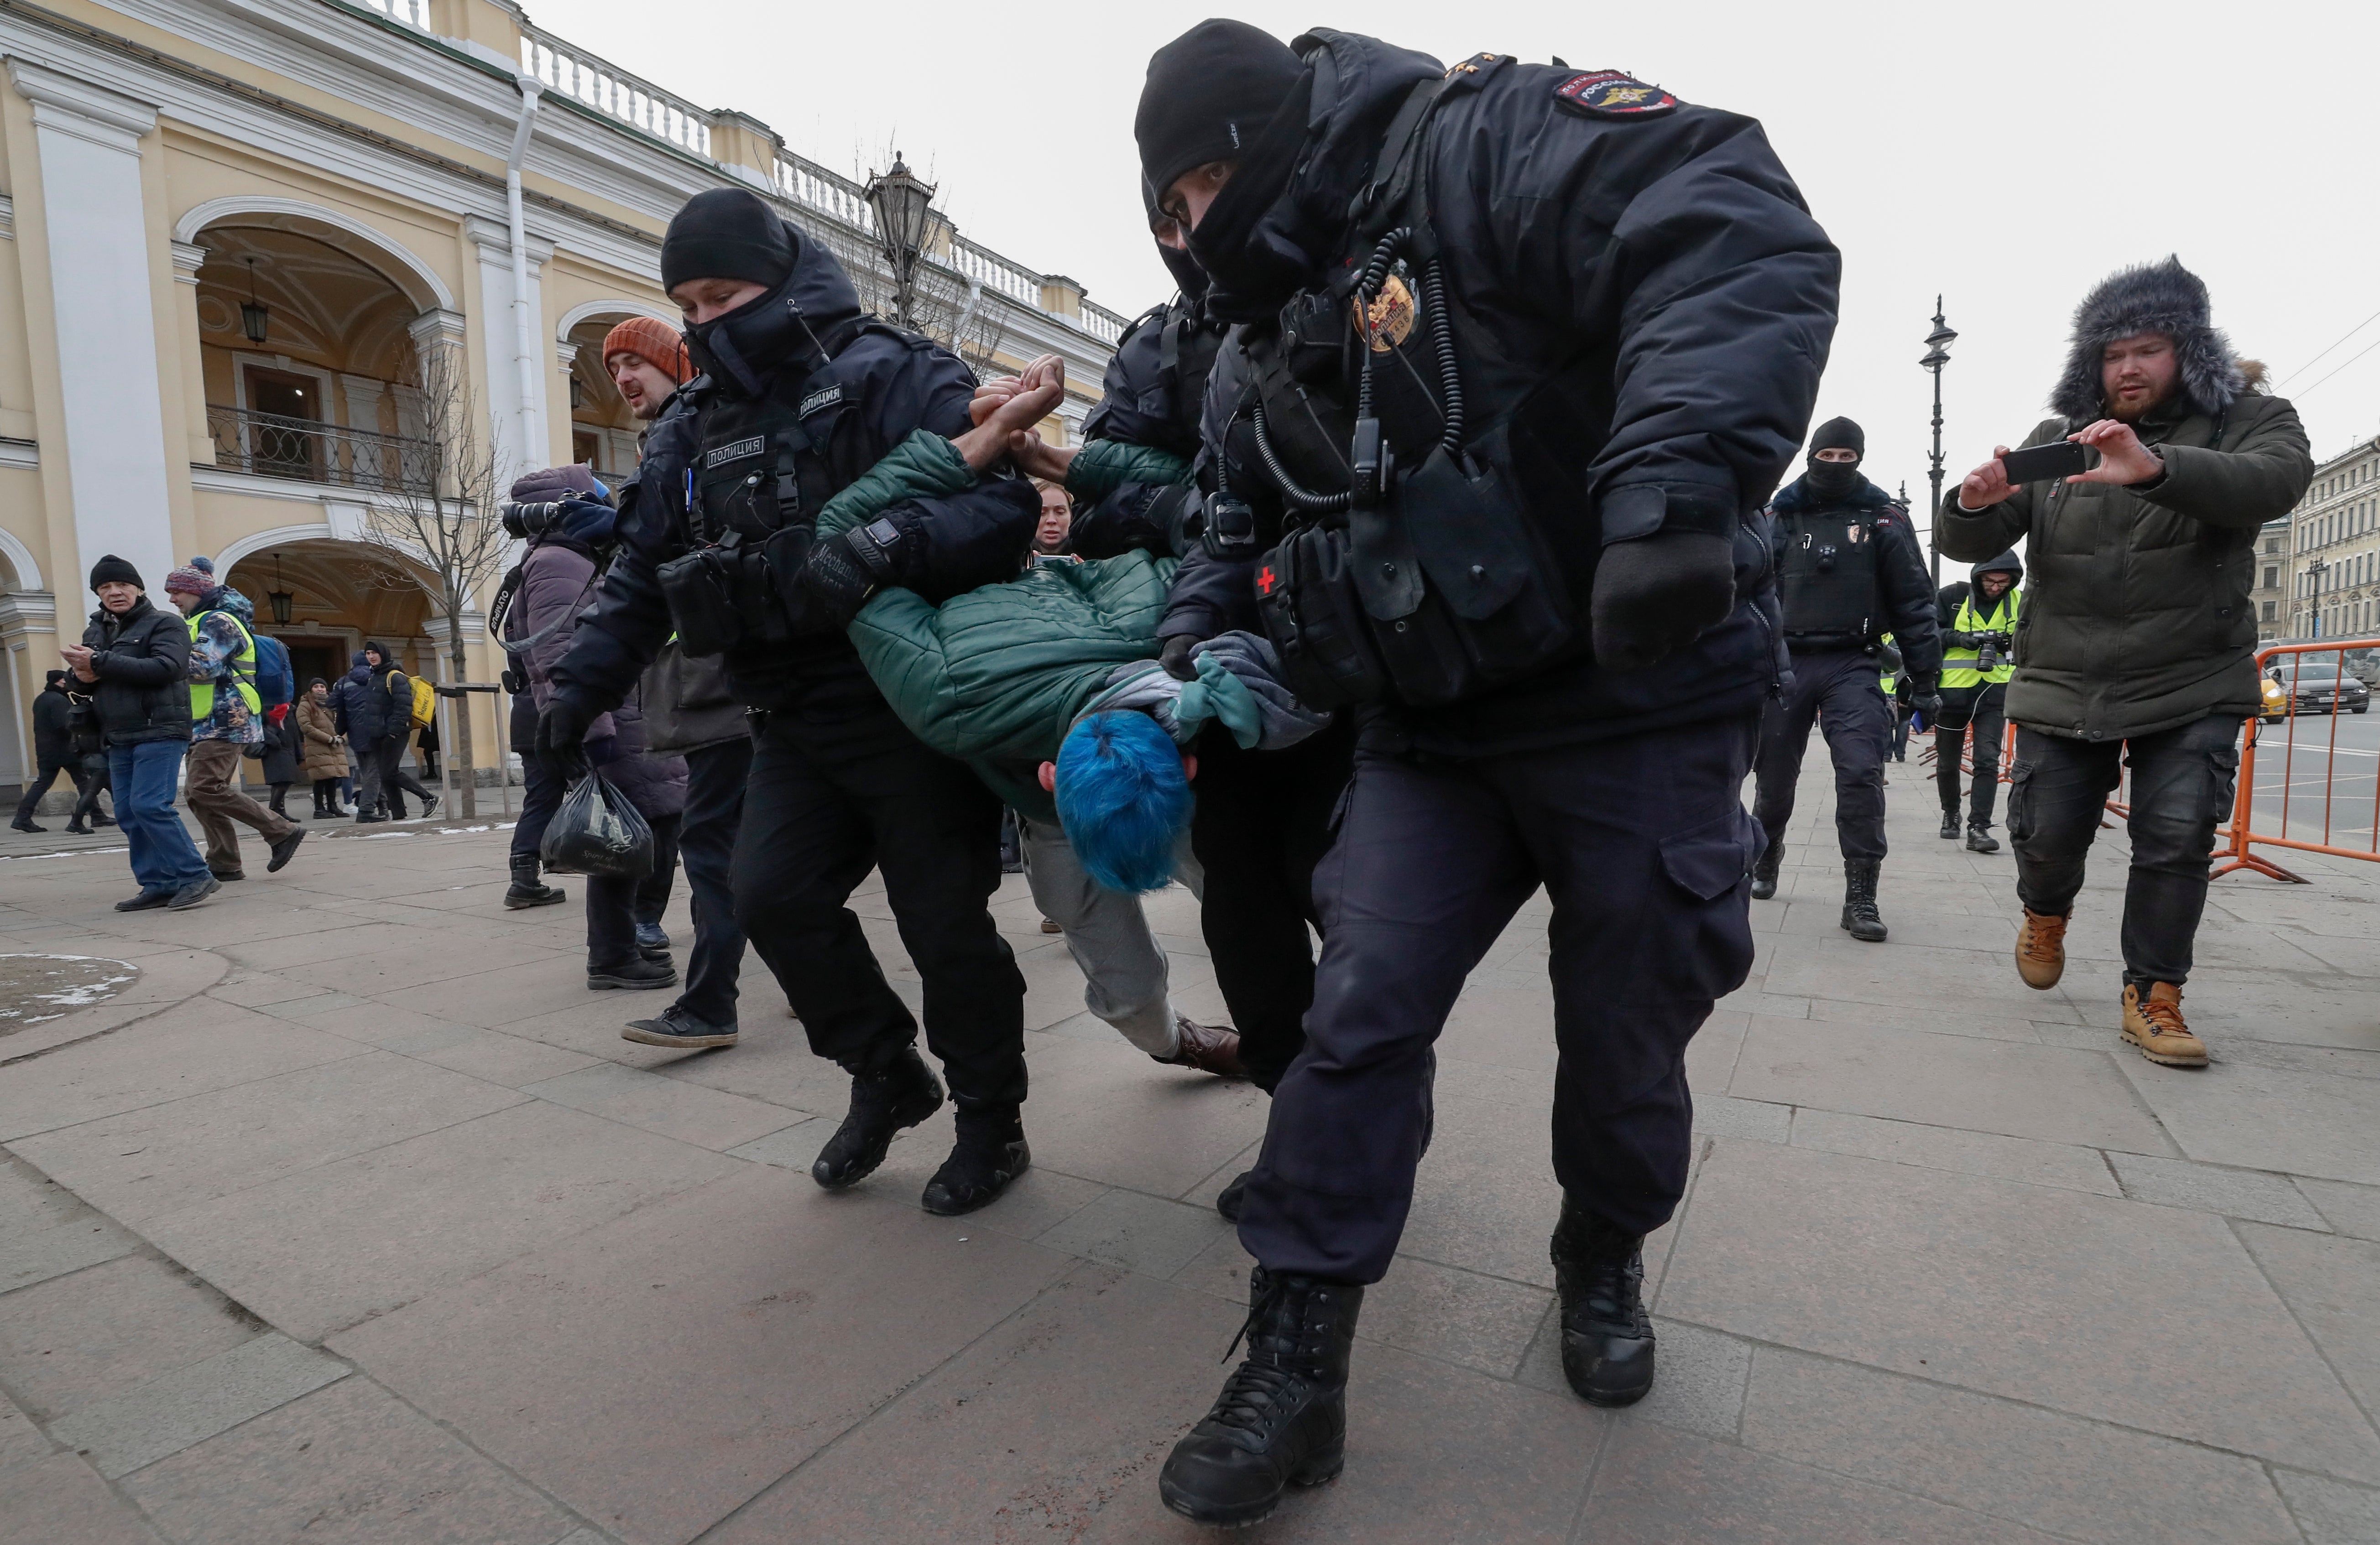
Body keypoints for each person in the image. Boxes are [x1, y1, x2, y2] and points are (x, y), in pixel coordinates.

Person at [1130, 24, 1838, 1524]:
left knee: (1625, 1034)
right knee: (1353, 1016)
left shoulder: (1479, 140)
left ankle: (1600, 1243)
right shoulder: (1247, 349)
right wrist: (1187, 666)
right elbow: (1219, 531)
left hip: (1633, 693)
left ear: (1272, 132)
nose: (1194, 227)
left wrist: (1669, 489)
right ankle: (1293, 1359)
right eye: (1167, 208)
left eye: (1206, 180)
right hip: (1428, 731)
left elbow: (1720, 211)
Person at [543, 187, 1049, 1217]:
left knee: (944, 923)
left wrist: (887, 545)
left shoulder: (889, 371)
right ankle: (887, 1072)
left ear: (778, 278)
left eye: (722, 292)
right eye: (686, 301)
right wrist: (572, 695)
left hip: (914, 700)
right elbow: (643, 573)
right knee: (770, 896)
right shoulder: (693, 423)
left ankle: (992, 1115)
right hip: (792, 714)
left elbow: (1003, 504)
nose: (705, 318)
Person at [1942, 255, 2311, 1069]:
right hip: (2063, 675)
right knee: (2043, 836)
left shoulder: (2249, 419)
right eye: (2114, 353)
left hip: (2191, 677)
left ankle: (2154, 995)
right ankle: (2045, 909)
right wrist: (1971, 502)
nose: (2130, 366)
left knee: (2177, 835)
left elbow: (2277, 480)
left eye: (2149, 348)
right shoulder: (2058, 440)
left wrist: (2154, 468)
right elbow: (1970, 542)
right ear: (2092, 363)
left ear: (2189, 351)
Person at [600, 314, 753, 1049]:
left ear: (676, 362)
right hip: (705, 682)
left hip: (725, 682)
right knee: (752, 846)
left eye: (637, 362)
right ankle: (806, 974)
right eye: (614, 369)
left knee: (715, 847)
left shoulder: (700, 436)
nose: (626, 378)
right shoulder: (675, 442)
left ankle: (711, 1004)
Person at [1745, 419, 1941, 939]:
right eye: (1825, 455)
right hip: (1784, 663)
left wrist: (1924, 680)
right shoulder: (1777, 516)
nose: (1834, 465)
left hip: (1853, 662)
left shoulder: (1883, 519)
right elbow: (1743, 592)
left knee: (1860, 772)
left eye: (1844, 456)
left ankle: (1861, 895)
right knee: (1773, 778)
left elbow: (1913, 603)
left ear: (1858, 458)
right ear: (1810, 455)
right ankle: (1765, 857)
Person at [500, 465, 689, 993]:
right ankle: (615, 953)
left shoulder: (568, 558)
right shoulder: (558, 561)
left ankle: (625, 944)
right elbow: (557, 652)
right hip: (615, 721)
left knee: (645, 829)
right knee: (623, 838)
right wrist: (590, 727)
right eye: (597, 498)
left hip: (626, 714)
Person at [60, 557, 217, 910]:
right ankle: (158, 882)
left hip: (160, 728)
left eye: (122, 585)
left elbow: (169, 668)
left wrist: (98, 663)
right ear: (98, 594)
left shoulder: (165, 623)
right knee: (129, 813)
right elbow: (87, 681)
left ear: (139, 588)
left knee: (150, 805)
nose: (114, 592)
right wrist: (79, 676)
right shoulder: (96, 631)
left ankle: (195, 875)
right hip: (117, 732)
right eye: (105, 588)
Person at [160, 564, 305, 882]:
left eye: (177, 592)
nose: (172, 599)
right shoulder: (199, 620)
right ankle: (225, 862)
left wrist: (158, 654)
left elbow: (203, 667)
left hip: (227, 717)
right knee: (200, 793)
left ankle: (281, 831)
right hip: (205, 719)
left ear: (197, 591)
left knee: (204, 786)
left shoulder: (219, 621)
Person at [1933, 552, 2023, 852]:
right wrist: (1959, 639)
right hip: (1953, 693)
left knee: (1987, 760)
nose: (1997, 587)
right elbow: (1928, 632)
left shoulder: (2020, 600)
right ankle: (1951, 812)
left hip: (1995, 693)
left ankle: (1979, 827)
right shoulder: (1951, 597)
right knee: (1948, 763)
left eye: (2004, 582)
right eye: (1990, 580)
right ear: (1978, 577)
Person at [10, 670, 81, 833]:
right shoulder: (58, 700)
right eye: (67, 680)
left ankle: (22, 817)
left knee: (44, 783)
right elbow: (65, 726)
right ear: (60, 681)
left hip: (47, 749)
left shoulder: (42, 699)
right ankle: (94, 816)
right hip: (64, 750)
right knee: (85, 782)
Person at [296, 679, 348, 818]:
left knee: (333, 777)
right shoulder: (305, 705)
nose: (320, 689)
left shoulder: (332, 704)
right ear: (311, 689)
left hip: (335, 745)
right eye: (316, 687)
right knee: (320, 778)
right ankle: (319, 809)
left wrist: (342, 738)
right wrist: (329, 739)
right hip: (317, 747)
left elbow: (344, 722)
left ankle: (333, 806)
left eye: (323, 687)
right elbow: (306, 726)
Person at [258, 701, 300, 820]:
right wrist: (274, 740)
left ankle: (280, 812)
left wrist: (299, 752)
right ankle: (273, 812)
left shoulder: (289, 709)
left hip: (289, 749)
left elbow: (295, 732)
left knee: (283, 782)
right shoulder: (265, 707)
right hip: (274, 749)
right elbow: (259, 727)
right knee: (282, 782)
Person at [1031, 481, 1073, 556]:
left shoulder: (1093, 558)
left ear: (1072, 517)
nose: (1051, 520)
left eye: (1060, 512)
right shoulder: (1011, 556)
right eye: (1042, 513)